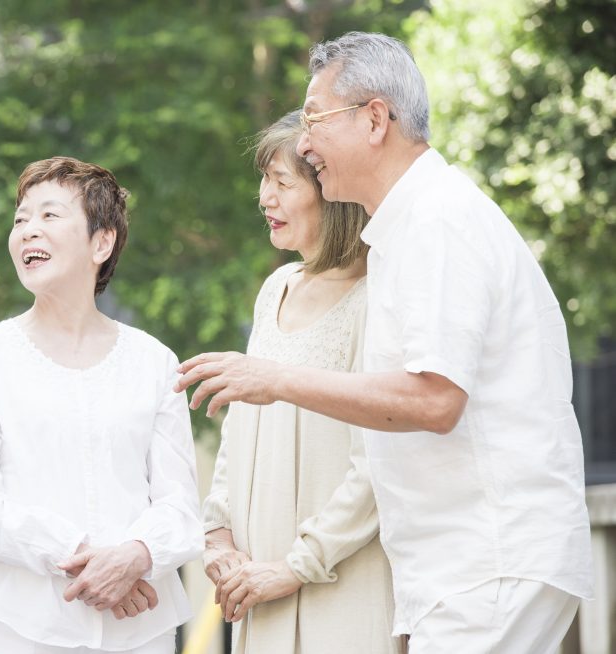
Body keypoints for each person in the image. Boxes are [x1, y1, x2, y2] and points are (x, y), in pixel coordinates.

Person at [176, 32, 592, 653]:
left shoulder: (437, 222)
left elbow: (434, 401)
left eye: (316, 119)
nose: (306, 141)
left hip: (488, 557)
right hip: (458, 567)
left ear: (375, 119)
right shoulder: (406, 229)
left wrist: (274, 378)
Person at [0, 156, 203, 653]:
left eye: (49, 216)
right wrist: (84, 557)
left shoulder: (154, 361)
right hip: (14, 628)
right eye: (20, 220)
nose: (27, 231)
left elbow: (180, 507)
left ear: (101, 242)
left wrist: (137, 555)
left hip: (138, 631)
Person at [201, 110, 403, 653]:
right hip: (257, 593)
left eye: (282, 182)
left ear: (328, 192)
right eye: (264, 181)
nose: (265, 198)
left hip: (342, 590)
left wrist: (297, 566)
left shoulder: (377, 297)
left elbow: (377, 466)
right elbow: (237, 434)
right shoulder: (276, 288)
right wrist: (218, 536)